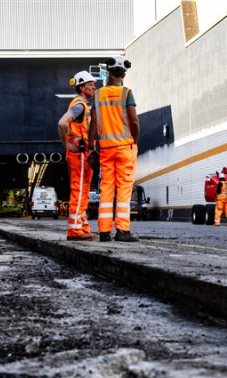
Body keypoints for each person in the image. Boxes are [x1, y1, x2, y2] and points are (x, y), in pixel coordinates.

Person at [88, 56, 140, 242]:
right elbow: (133, 121)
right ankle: (122, 231)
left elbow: (93, 122)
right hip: (125, 148)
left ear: (108, 71)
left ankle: (103, 232)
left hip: (106, 149)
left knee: (106, 189)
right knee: (124, 190)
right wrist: (134, 140)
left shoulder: (97, 95)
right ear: (124, 73)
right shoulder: (127, 93)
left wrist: (91, 146)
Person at [58, 71, 97, 241]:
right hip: (79, 154)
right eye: (91, 85)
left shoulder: (84, 105)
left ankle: (82, 228)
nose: (94, 87)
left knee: (84, 192)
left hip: (84, 155)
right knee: (79, 191)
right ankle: (74, 231)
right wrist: (66, 144)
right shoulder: (79, 105)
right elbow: (62, 123)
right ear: (82, 87)